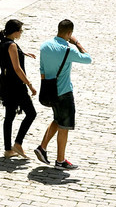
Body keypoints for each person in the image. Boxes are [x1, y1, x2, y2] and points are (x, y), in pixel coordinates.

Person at [33, 19, 92, 170]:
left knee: (57, 120)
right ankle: (60, 160)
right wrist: (77, 43)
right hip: (64, 92)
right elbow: (88, 59)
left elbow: (42, 70)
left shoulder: (45, 46)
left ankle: (42, 147)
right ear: (69, 33)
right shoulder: (68, 50)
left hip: (49, 91)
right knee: (64, 126)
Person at [0, 18, 37, 159]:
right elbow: (17, 68)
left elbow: (10, 55)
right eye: (20, 31)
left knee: (9, 116)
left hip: (6, 84)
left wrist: (23, 53)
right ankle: (18, 143)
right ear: (15, 32)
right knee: (31, 114)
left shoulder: (3, 42)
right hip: (17, 86)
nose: (21, 33)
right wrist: (30, 85)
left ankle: (8, 149)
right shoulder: (12, 46)